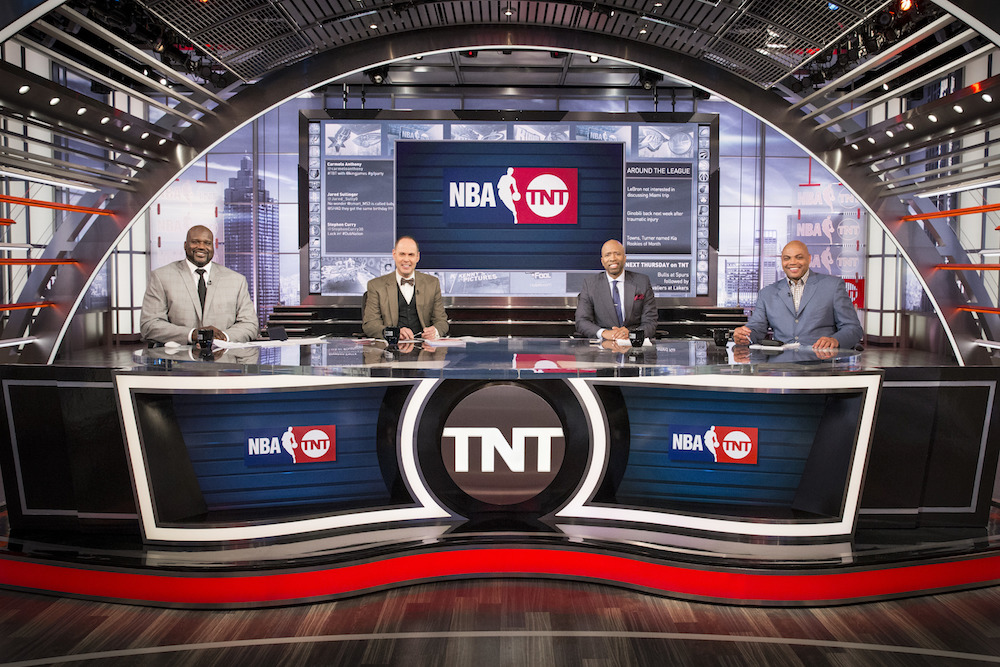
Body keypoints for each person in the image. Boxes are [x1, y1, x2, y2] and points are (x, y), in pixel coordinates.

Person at [140, 225, 259, 345]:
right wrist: (192, 334)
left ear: (213, 247)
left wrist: (223, 337)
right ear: (185, 245)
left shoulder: (236, 280)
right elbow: (149, 324)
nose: (201, 247)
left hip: (225, 360)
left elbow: (250, 324)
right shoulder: (161, 277)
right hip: (179, 360)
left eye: (207, 243)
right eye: (195, 242)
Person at [732, 240, 862, 349]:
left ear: (809, 259)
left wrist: (835, 340)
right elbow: (756, 329)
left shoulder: (832, 286)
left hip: (821, 364)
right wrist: (744, 335)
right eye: (787, 258)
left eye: (799, 257)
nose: (792, 262)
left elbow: (853, 328)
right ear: (782, 261)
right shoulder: (767, 293)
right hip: (780, 367)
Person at [362, 236, 449, 340]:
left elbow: (442, 322)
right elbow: (370, 325)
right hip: (390, 350)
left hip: (424, 350)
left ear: (417, 257)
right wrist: (394, 333)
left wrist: (435, 331)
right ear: (394, 255)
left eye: (411, 255)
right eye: (402, 254)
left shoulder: (432, 283)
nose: (406, 259)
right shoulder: (376, 285)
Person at [575, 239, 657, 341]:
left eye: (617, 254)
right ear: (602, 261)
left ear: (624, 258)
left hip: (633, 345)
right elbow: (581, 321)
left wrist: (631, 334)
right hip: (603, 347)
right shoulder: (590, 284)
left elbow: (650, 322)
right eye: (608, 255)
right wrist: (604, 333)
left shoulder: (642, 282)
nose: (612, 258)